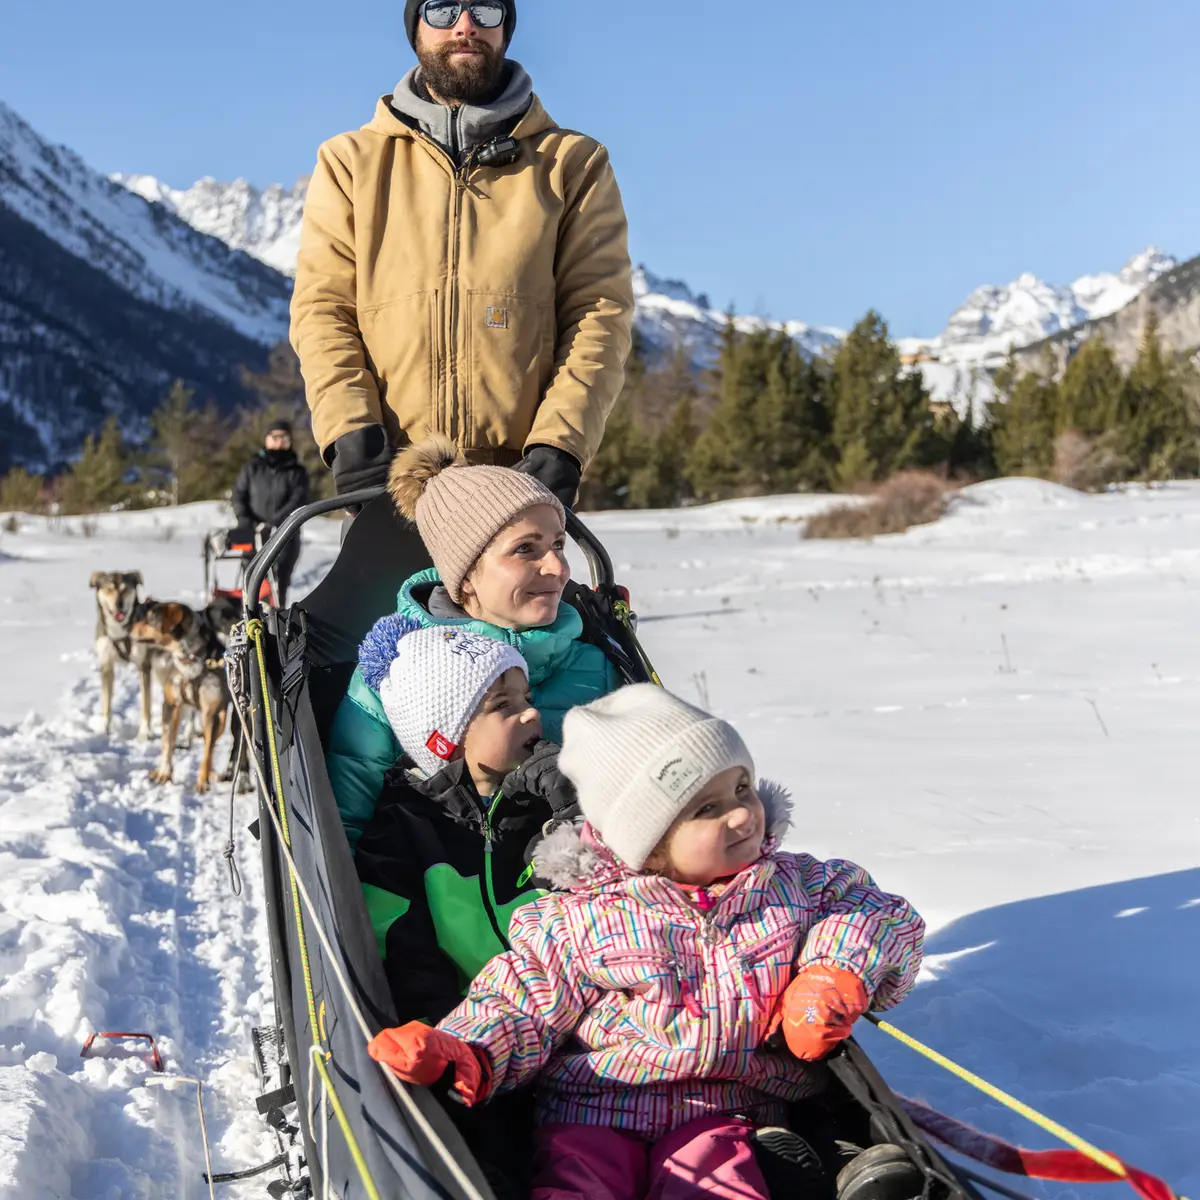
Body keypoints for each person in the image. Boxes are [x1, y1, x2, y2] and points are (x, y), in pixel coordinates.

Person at [368, 686, 925, 1200]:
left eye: (742, 788)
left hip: (728, 1110)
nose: (741, 814)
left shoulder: (792, 885)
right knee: (579, 1184)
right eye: (707, 808)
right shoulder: (583, 917)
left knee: (717, 1181)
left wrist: (834, 972)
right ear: (648, 842)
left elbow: (878, 912)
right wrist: (464, 1050)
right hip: (594, 1111)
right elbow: (522, 1001)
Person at [290, 0, 634, 508]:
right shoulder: (350, 163)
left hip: (519, 487)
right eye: (443, 9)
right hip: (388, 484)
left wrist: (559, 447)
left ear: (506, 30)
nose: (466, 26)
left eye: (486, 10)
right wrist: (352, 437)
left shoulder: (573, 163)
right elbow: (323, 311)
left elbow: (599, 314)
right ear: (416, 28)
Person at [327, 436, 618, 846]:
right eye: (525, 549)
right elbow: (347, 819)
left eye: (557, 544)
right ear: (465, 578)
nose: (558, 567)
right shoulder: (396, 675)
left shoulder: (595, 665)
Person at [353, 618, 572, 1025]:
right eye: (504, 705)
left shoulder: (547, 798)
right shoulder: (403, 831)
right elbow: (406, 962)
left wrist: (572, 808)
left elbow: (607, 900)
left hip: (577, 1005)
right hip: (474, 1029)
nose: (531, 714)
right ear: (445, 739)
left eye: (527, 698)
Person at [231, 420, 310, 606]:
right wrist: (244, 520)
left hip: (285, 536)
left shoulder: (297, 471)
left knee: (278, 588)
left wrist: (277, 522)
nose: (279, 441)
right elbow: (238, 495)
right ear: (266, 439)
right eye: (274, 437)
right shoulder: (252, 467)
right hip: (253, 535)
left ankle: (277, 623)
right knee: (253, 585)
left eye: (284, 437)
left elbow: (299, 499)